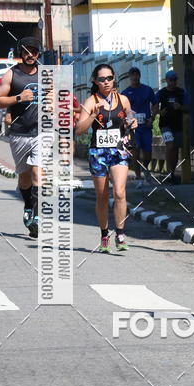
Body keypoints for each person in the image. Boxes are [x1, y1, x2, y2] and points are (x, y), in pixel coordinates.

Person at [75, 63, 138, 252]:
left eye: (109, 78)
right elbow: (79, 130)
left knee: (119, 192)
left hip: (118, 150)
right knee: (102, 197)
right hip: (98, 152)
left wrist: (132, 120)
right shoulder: (91, 101)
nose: (106, 82)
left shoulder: (123, 99)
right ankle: (104, 234)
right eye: (102, 79)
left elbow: (129, 114)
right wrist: (92, 115)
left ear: (114, 79)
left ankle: (120, 233)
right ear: (95, 81)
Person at [0, 37, 42, 238]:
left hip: (42, 132)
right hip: (19, 133)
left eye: (34, 51)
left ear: (39, 53)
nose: (31, 55)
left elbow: (60, 97)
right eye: (27, 51)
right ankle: (29, 206)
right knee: (24, 177)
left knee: (39, 174)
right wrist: (19, 98)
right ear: (21, 53)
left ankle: (38, 217)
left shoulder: (47, 74)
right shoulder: (12, 74)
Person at [122, 66, 156, 186]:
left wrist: (152, 117)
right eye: (132, 75)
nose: (135, 77)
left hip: (146, 126)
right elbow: (122, 110)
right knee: (135, 153)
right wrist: (127, 122)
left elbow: (155, 104)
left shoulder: (147, 90)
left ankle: (145, 167)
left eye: (136, 74)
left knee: (148, 154)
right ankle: (138, 177)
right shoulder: (125, 93)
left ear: (139, 76)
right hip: (134, 128)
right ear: (129, 77)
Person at [152, 70, 189, 181]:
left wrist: (181, 107)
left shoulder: (181, 92)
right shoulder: (161, 93)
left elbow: (188, 107)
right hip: (165, 125)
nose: (173, 82)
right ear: (167, 80)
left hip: (178, 125)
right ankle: (169, 173)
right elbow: (153, 106)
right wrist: (159, 112)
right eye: (170, 80)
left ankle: (172, 173)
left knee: (175, 148)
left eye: (174, 79)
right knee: (170, 145)